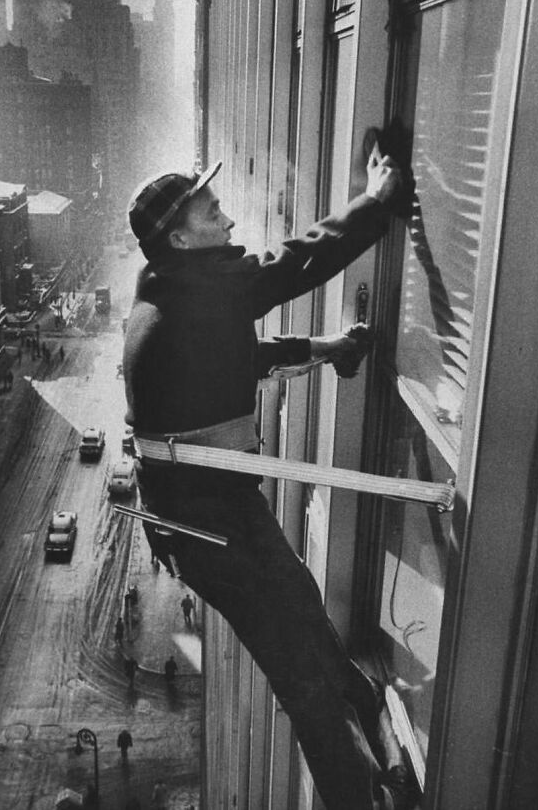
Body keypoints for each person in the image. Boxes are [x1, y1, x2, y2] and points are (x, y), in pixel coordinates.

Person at [123, 139, 413, 810]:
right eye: (212, 212)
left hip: (209, 507)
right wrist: (377, 202)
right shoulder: (192, 289)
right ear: (179, 235)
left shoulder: (168, 292)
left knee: (301, 604)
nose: (227, 221)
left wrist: (326, 349)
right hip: (205, 519)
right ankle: (358, 796)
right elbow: (298, 261)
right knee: (295, 664)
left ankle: (362, 702)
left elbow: (233, 355)